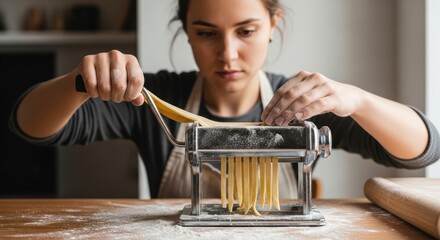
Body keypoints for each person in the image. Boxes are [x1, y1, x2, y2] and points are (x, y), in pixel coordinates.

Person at [9, 0, 440, 199]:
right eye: (206, 33)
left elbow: (421, 151)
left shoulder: (302, 102)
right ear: (186, 30)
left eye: (247, 31)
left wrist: (357, 99)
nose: (228, 54)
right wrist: (79, 81)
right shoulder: (154, 98)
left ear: (273, 23)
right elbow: (30, 126)